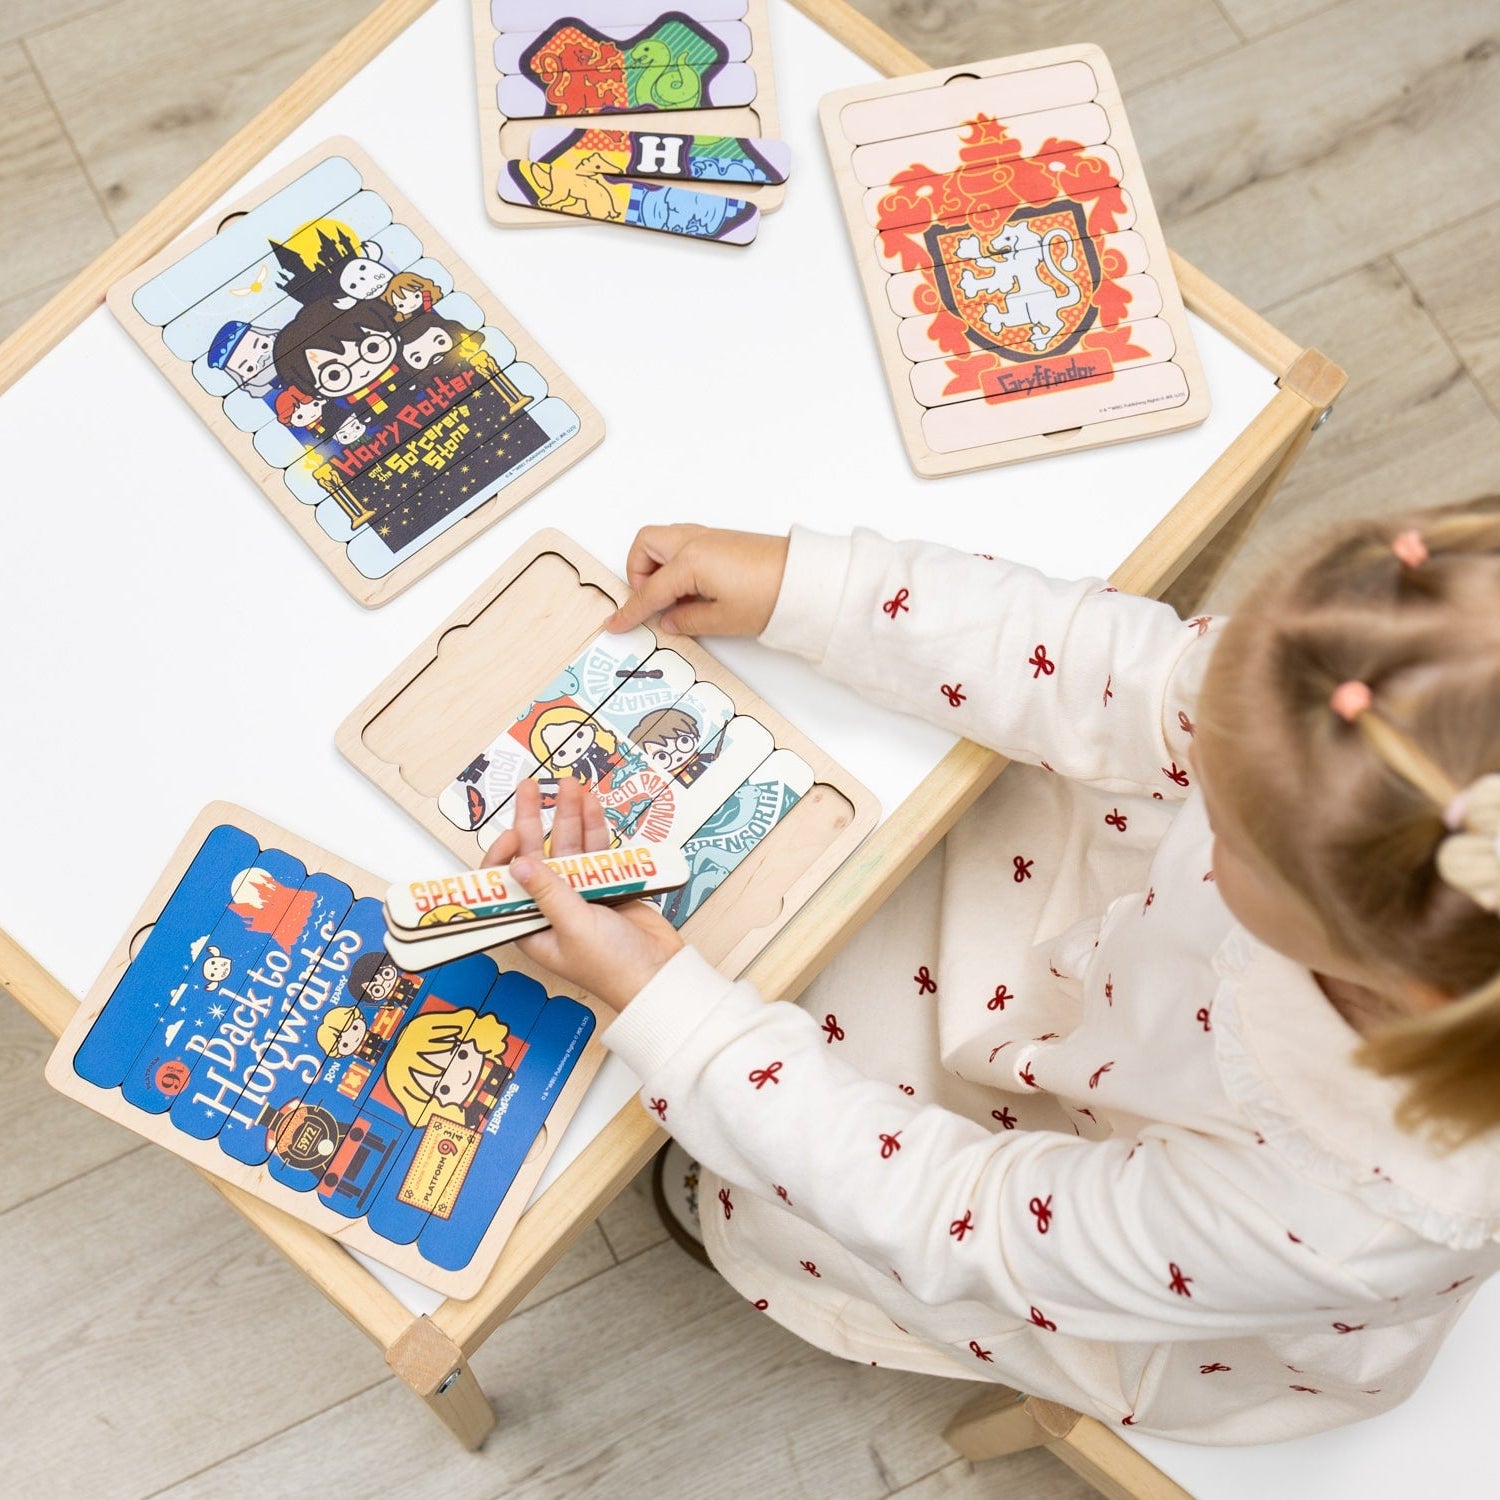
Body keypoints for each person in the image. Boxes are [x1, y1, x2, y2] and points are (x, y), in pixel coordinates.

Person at [486, 505, 1500, 1445]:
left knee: (785, 1196)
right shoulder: (1388, 704)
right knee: (926, 857)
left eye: (1232, 823)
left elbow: (958, 1217)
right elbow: (1118, 668)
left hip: (1130, 1261)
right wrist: (816, 589)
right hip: (1120, 1002)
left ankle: (724, 1184)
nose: (1208, 764)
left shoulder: (1339, 1218)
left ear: (1396, 981)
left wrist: (679, 1023)